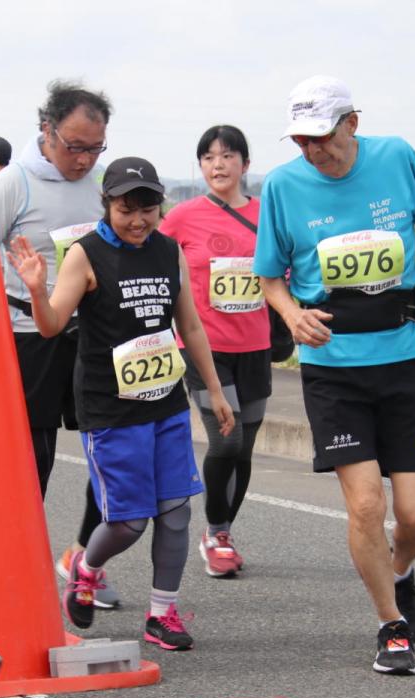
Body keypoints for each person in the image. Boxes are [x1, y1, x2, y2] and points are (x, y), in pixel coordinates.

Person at [253, 76, 415, 676]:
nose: (313, 150)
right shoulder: (284, 186)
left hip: (401, 358)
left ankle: (401, 572)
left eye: (322, 137)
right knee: (367, 505)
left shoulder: (396, 157)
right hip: (332, 370)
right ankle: (390, 625)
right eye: (301, 139)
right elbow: (270, 277)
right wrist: (292, 315)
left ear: (352, 123)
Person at [9, 156, 233, 651]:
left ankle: (161, 614)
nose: (138, 220)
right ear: (106, 205)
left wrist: (213, 390)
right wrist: (34, 288)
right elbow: (49, 326)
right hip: (110, 410)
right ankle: (85, 569)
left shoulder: (168, 251)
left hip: (166, 402)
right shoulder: (85, 255)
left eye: (148, 207)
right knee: (129, 521)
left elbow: (190, 326)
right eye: (126, 209)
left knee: (176, 512)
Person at [0, 79, 121, 609]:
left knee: (112, 453)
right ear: (46, 131)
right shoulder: (12, 184)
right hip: (28, 336)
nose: (85, 159)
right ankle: (14, 571)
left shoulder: (99, 187)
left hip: (91, 336)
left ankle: (84, 558)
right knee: (34, 460)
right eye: (75, 146)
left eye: (95, 148)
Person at [158, 125, 268, 579]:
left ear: (245, 163)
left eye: (227, 156)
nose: (217, 165)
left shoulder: (268, 213)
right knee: (227, 438)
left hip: (256, 345)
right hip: (203, 348)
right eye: (208, 157)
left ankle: (223, 532)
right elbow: (151, 257)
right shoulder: (182, 217)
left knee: (245, 450)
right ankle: (215, 532)